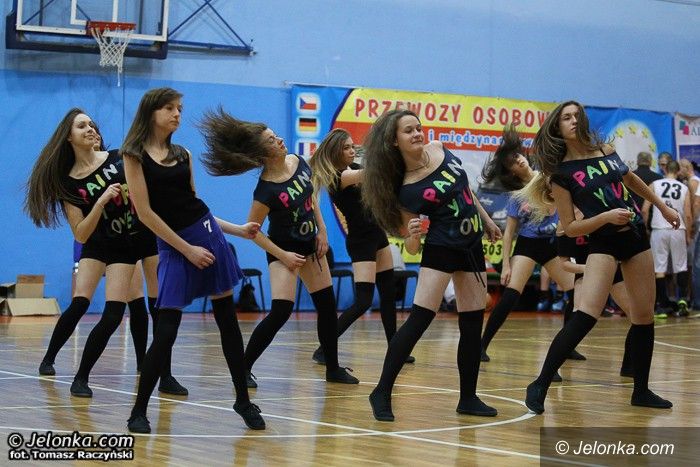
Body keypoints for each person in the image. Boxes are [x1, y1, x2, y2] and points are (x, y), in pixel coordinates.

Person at [121, 88, 265, 433]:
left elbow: (196, 203)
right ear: (151, 112)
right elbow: (145, 213)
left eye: (180, 109)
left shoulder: (183, 154)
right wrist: (186, 249)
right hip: (176, 248)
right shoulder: (133, 155)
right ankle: (138, 411)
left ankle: (243, 401)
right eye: (169, 108)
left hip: (208, 238)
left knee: (228, 323)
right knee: (165, 331)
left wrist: (237, 229)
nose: (177, 114)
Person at [523, 100, 678, 414]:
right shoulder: (561, 174)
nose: (573, 120)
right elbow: (570, 226)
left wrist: (662, 207)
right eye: (566, 117)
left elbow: (631, 180)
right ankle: (540, 382)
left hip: (635, 236)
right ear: (557, 128)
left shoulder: (606, 151)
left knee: (644, 316)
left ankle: (641, 390)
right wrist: (606, 217)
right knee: (586, 314)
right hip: (603, 242)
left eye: (577, 115)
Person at [24, 110, 185, 396]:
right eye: (81, 126)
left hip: (146, 235)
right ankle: (72, 372)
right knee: (105, 312)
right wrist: (100, 202)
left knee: (158, 307)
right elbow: (81, 234)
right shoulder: (69, 184)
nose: (90, 128)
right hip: (109, 243)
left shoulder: (119, 156)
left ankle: (163, 374)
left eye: (91, 124)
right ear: (68, 137)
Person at [198, 108, 358, 389]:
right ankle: (243, 368)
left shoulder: (298, 162)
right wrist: (283, 256)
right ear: (263, 153)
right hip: (282, 250)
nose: (280, 140)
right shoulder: (265, 191)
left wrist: (322, 231)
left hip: (311, 246)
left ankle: (332, 368)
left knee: (327, 306)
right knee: (281, 311)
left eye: (276, 136)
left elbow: (311, 198)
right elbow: (253, 233)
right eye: (272, 140)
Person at [360, 109, 502, 422]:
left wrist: (487, 220)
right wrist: (412, 236)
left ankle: (468, 398)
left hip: (471, 246)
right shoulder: (407, 188)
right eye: (408, 131)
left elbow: (465, 191)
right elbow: (411, 245)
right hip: (441, 249)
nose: (417, 134)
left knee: (472, 323)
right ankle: (381, 391)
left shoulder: (439, 148)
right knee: (420, 319)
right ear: (394, 141)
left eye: (418, 128)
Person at [308, 128, 414, 364]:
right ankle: (324, 348)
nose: (351, 151)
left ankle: (395, 349)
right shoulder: (339, 177)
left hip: (377, 235)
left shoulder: (354, 169)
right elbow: (373, 173)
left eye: (351, 146)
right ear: (335, 152)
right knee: (363, 301)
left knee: (388, 294)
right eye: (346, 148)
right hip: (361, 241)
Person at [479, 125, 574, 363]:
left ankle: (568, 345)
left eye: (518, 156)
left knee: (576, 291)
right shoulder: (517, 195)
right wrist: (506, 264)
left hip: (552, 245)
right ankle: (481, 345)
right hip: (527, 246)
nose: (518, 160)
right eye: (512, 162)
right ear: (511, 173)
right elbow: (509, 233)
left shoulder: (547, 176)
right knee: (511, 296)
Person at [642, 160, 692, 317]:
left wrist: (645, 228)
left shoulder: (655, 184)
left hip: (659, 229)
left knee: (659, 268)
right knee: (681, 265)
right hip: (678, 229)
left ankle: (662, 305)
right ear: (678, 172)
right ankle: (683, 301)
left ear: (664, 170)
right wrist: (688, 234)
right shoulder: (684, 187)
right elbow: (688, 214)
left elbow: (644, 210)